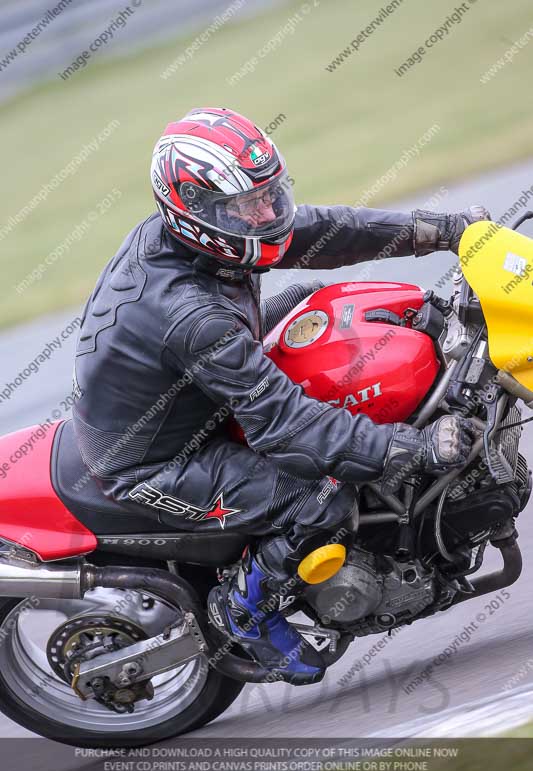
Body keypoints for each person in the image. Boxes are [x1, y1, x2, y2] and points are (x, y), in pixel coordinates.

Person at [72, 107, 485, 685]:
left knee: (315, 300)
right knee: (320, 497)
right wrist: (409, 449)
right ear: (193, 210)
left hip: (183, 393)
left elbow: (322, 231)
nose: (266, 215)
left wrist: (441, 229)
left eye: (269, 196)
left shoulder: (207, 243)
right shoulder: (190, 313)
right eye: (245, 207)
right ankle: (243, 610)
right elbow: (285, 426)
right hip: (154, 460)